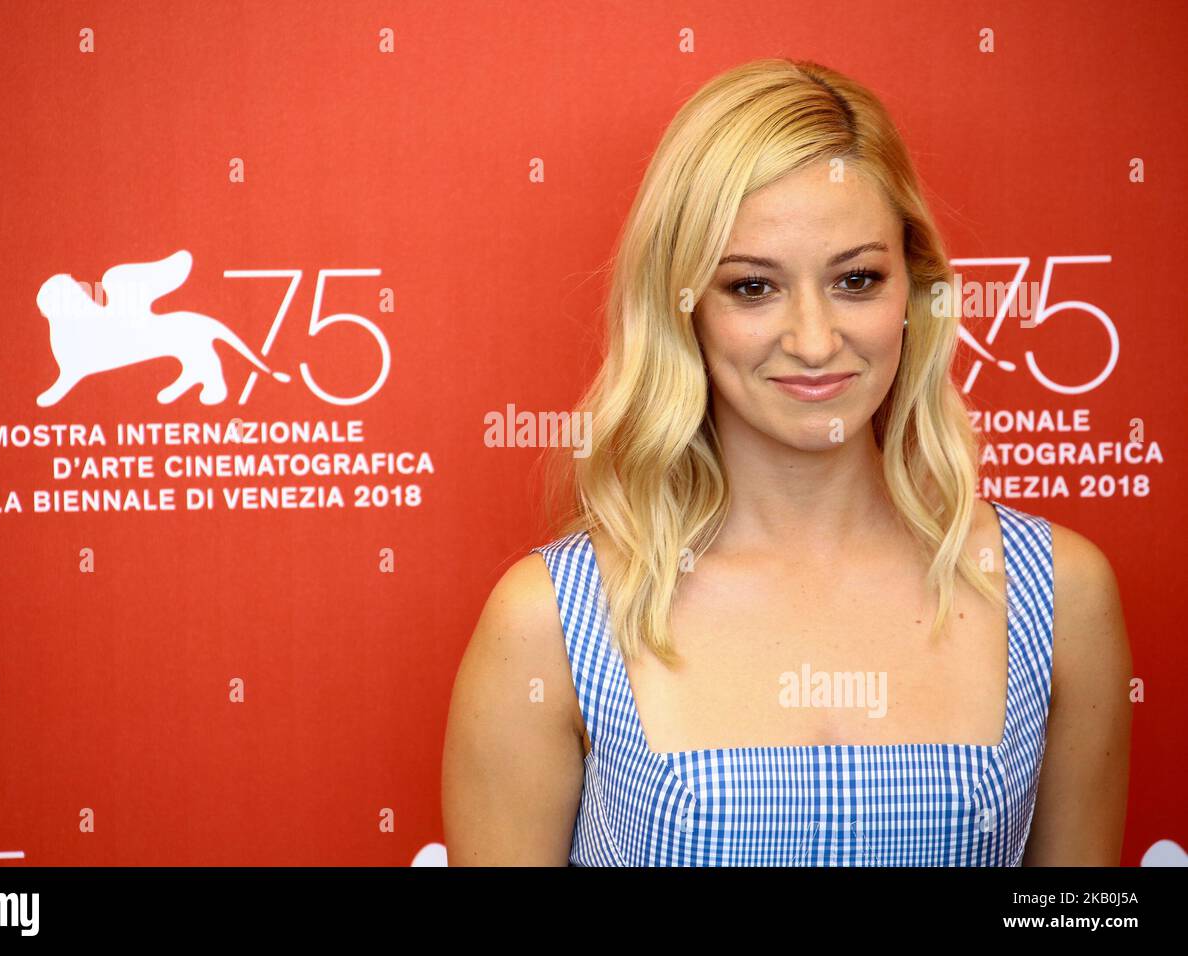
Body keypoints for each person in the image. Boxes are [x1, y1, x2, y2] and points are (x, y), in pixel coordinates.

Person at [441, 58, 1131, 866]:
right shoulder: (552, 621)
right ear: (684, 305)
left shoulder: (1058, 594)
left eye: (857, 279)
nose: (812, 340)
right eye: (753, 288)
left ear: (914, 290)